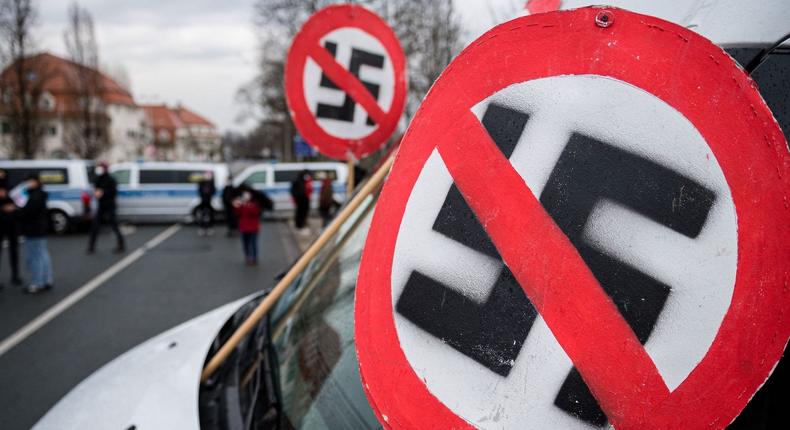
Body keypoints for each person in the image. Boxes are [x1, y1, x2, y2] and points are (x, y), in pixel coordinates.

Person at [15, 174, 53, 294]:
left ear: (35, 182)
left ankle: (37, 283)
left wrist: (16, 210)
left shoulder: (34, 195)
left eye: (29, 181)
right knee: (42, 255)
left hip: (33, 229)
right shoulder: (40, 193)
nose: (28, 184)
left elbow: (28, 212)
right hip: (40, 229)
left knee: (35, 257)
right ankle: (47, 280)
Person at [87, 162, 125, 254]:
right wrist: (97, 194)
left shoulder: (111, 180)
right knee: (95, 226)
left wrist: (103, 193)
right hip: (101, 206)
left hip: (110, 205)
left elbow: (113, 193)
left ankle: (121, 245)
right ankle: (91, 247)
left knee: (114, 225)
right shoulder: (98, 179)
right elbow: (95, 189)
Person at [0, 169, 22, 289]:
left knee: (14, 251)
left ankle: (15, 275)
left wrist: (12, 205)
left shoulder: (12, 188)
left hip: (12, 223)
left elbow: (20, 202)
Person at [233, 187, 262, 266]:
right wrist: (237, 206)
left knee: (253, 244)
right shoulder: (241, 204)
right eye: (244, 195)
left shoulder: (254, 203)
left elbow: (255, 213)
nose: (246, 196)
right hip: (244, 228)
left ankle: (254, 258)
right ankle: (247, 256)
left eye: (247, 195)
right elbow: (237, 214)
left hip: (253, 228)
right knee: (245, 244)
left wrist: (247, 205)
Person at [196, 171, 216, 236]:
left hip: (209, 201)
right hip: (203, 202)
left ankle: (209, 228)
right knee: (202, 215)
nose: (207, 176)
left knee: (210, 215)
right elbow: (199, 191)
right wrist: (204, 192)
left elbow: (213, 191)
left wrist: (209, 192)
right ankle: (202, 228)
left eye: (209, 175)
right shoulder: (201, 182)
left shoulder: (212, 183)